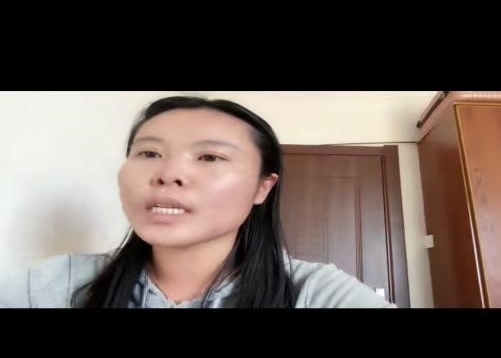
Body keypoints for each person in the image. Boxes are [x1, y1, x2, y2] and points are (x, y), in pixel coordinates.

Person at [0, 96, 396, 308]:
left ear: (262, 188)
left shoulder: (314, 292)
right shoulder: (59, 285)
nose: (168, 173)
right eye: (149, 153)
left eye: (209, 157)